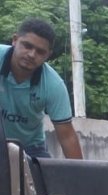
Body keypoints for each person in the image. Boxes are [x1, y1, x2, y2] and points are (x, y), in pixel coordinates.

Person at [0, 18, 83, 159]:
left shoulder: (54, 85)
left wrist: (81, 178)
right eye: (27, 46)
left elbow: (67, 137)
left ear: (48, 55)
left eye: (40, 52)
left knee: (45, 179)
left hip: (30, 147)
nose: (32, 55)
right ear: (15, 40)